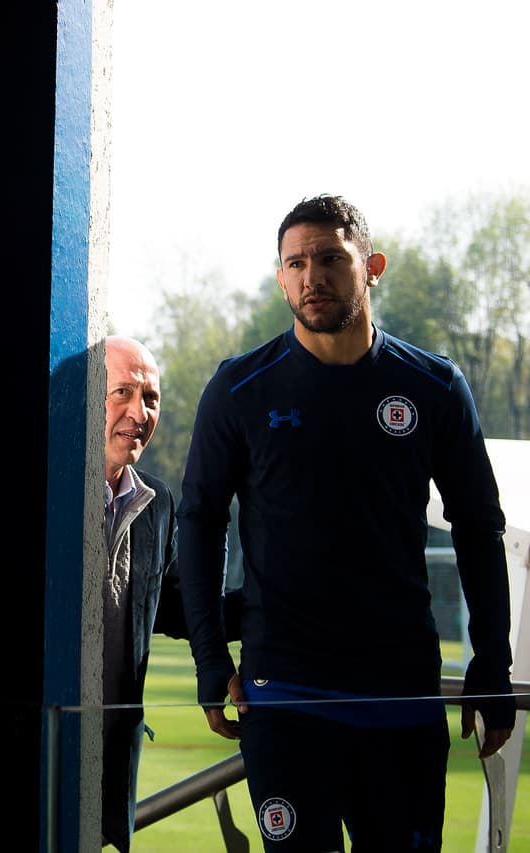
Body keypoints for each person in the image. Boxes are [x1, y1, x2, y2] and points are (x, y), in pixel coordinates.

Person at [176, 194, 515, 851]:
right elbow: (198, 520)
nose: (312, 276)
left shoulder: (435, 386)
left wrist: (492, 663)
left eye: (331, 258)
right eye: (296, 263)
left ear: (372, 266)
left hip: (403, 696)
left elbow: (479, 526)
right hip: (286, 695)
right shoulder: (240, 388)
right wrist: (210, 657)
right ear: (280, 278)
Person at [96, 335, 182, 852]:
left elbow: (174, 607)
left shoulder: (157, 501)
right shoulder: (43, 486)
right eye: (122, 392)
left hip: (107, 775)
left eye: (150, 398)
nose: (139, 412)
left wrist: (275, 606)